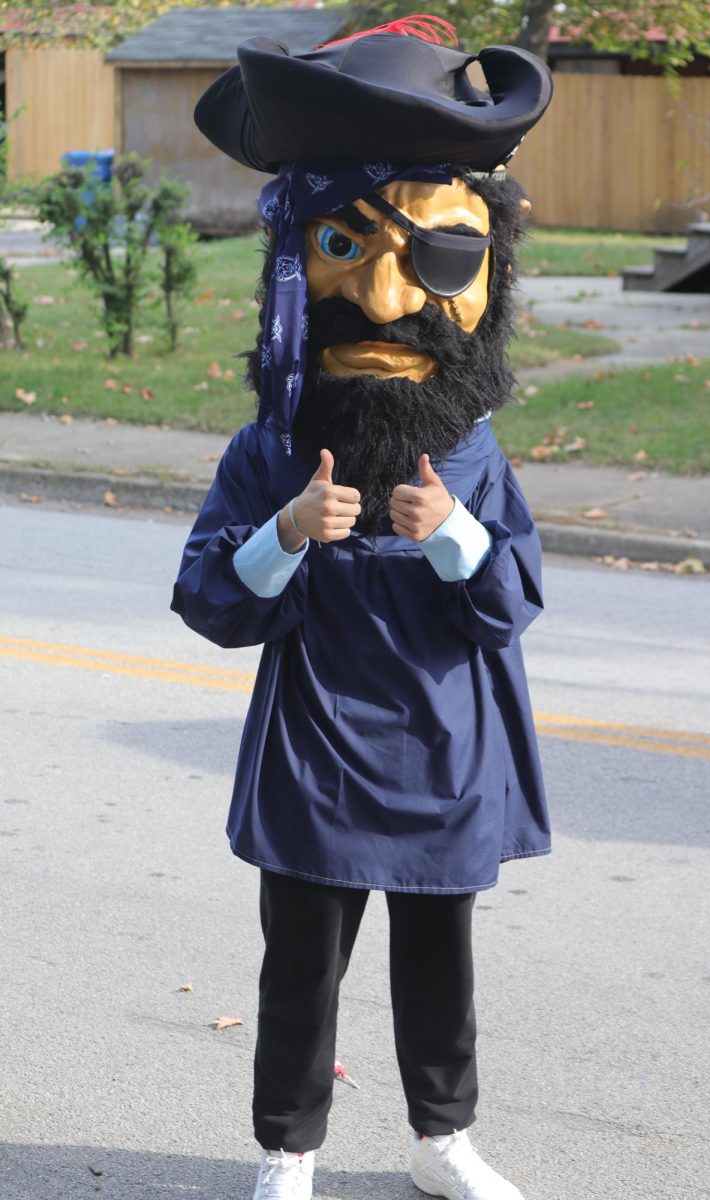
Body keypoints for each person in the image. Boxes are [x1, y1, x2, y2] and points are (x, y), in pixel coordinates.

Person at [171, 17, 553, 1200]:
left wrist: (454, 537)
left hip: (447, 748)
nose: (388, 297)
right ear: (296, 265)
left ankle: (443, 1143)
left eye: (436, 258)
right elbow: (204, 600)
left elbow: (511, 601)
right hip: (314, 753)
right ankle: (289, 1153)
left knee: (440, 968)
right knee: (302, 970)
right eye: (346, 244)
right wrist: (281, 539)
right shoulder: (270, 450)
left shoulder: (473, 454)